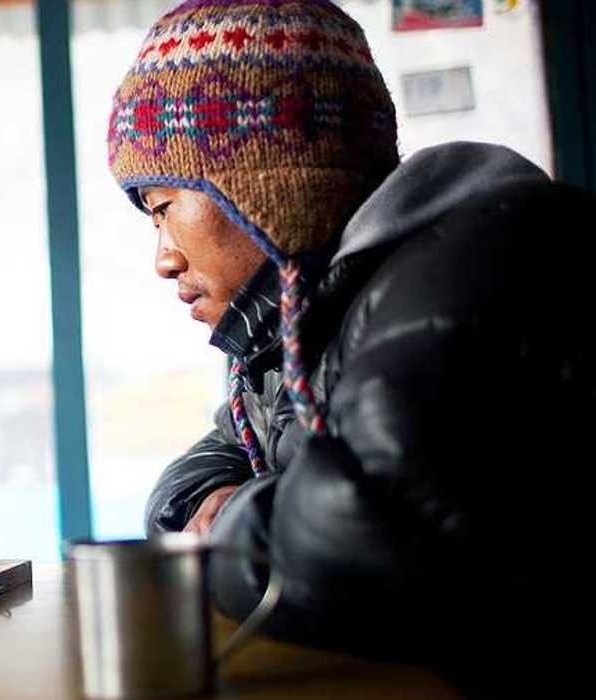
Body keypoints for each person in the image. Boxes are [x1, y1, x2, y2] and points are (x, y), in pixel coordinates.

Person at [107, 0, 592, 688]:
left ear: (263, 180)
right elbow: (207, 464)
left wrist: (224, 525)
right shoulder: (309, 319)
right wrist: (219, 508)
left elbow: (363, 541)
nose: (163, 258)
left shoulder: (468, 271)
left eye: (162, 207)